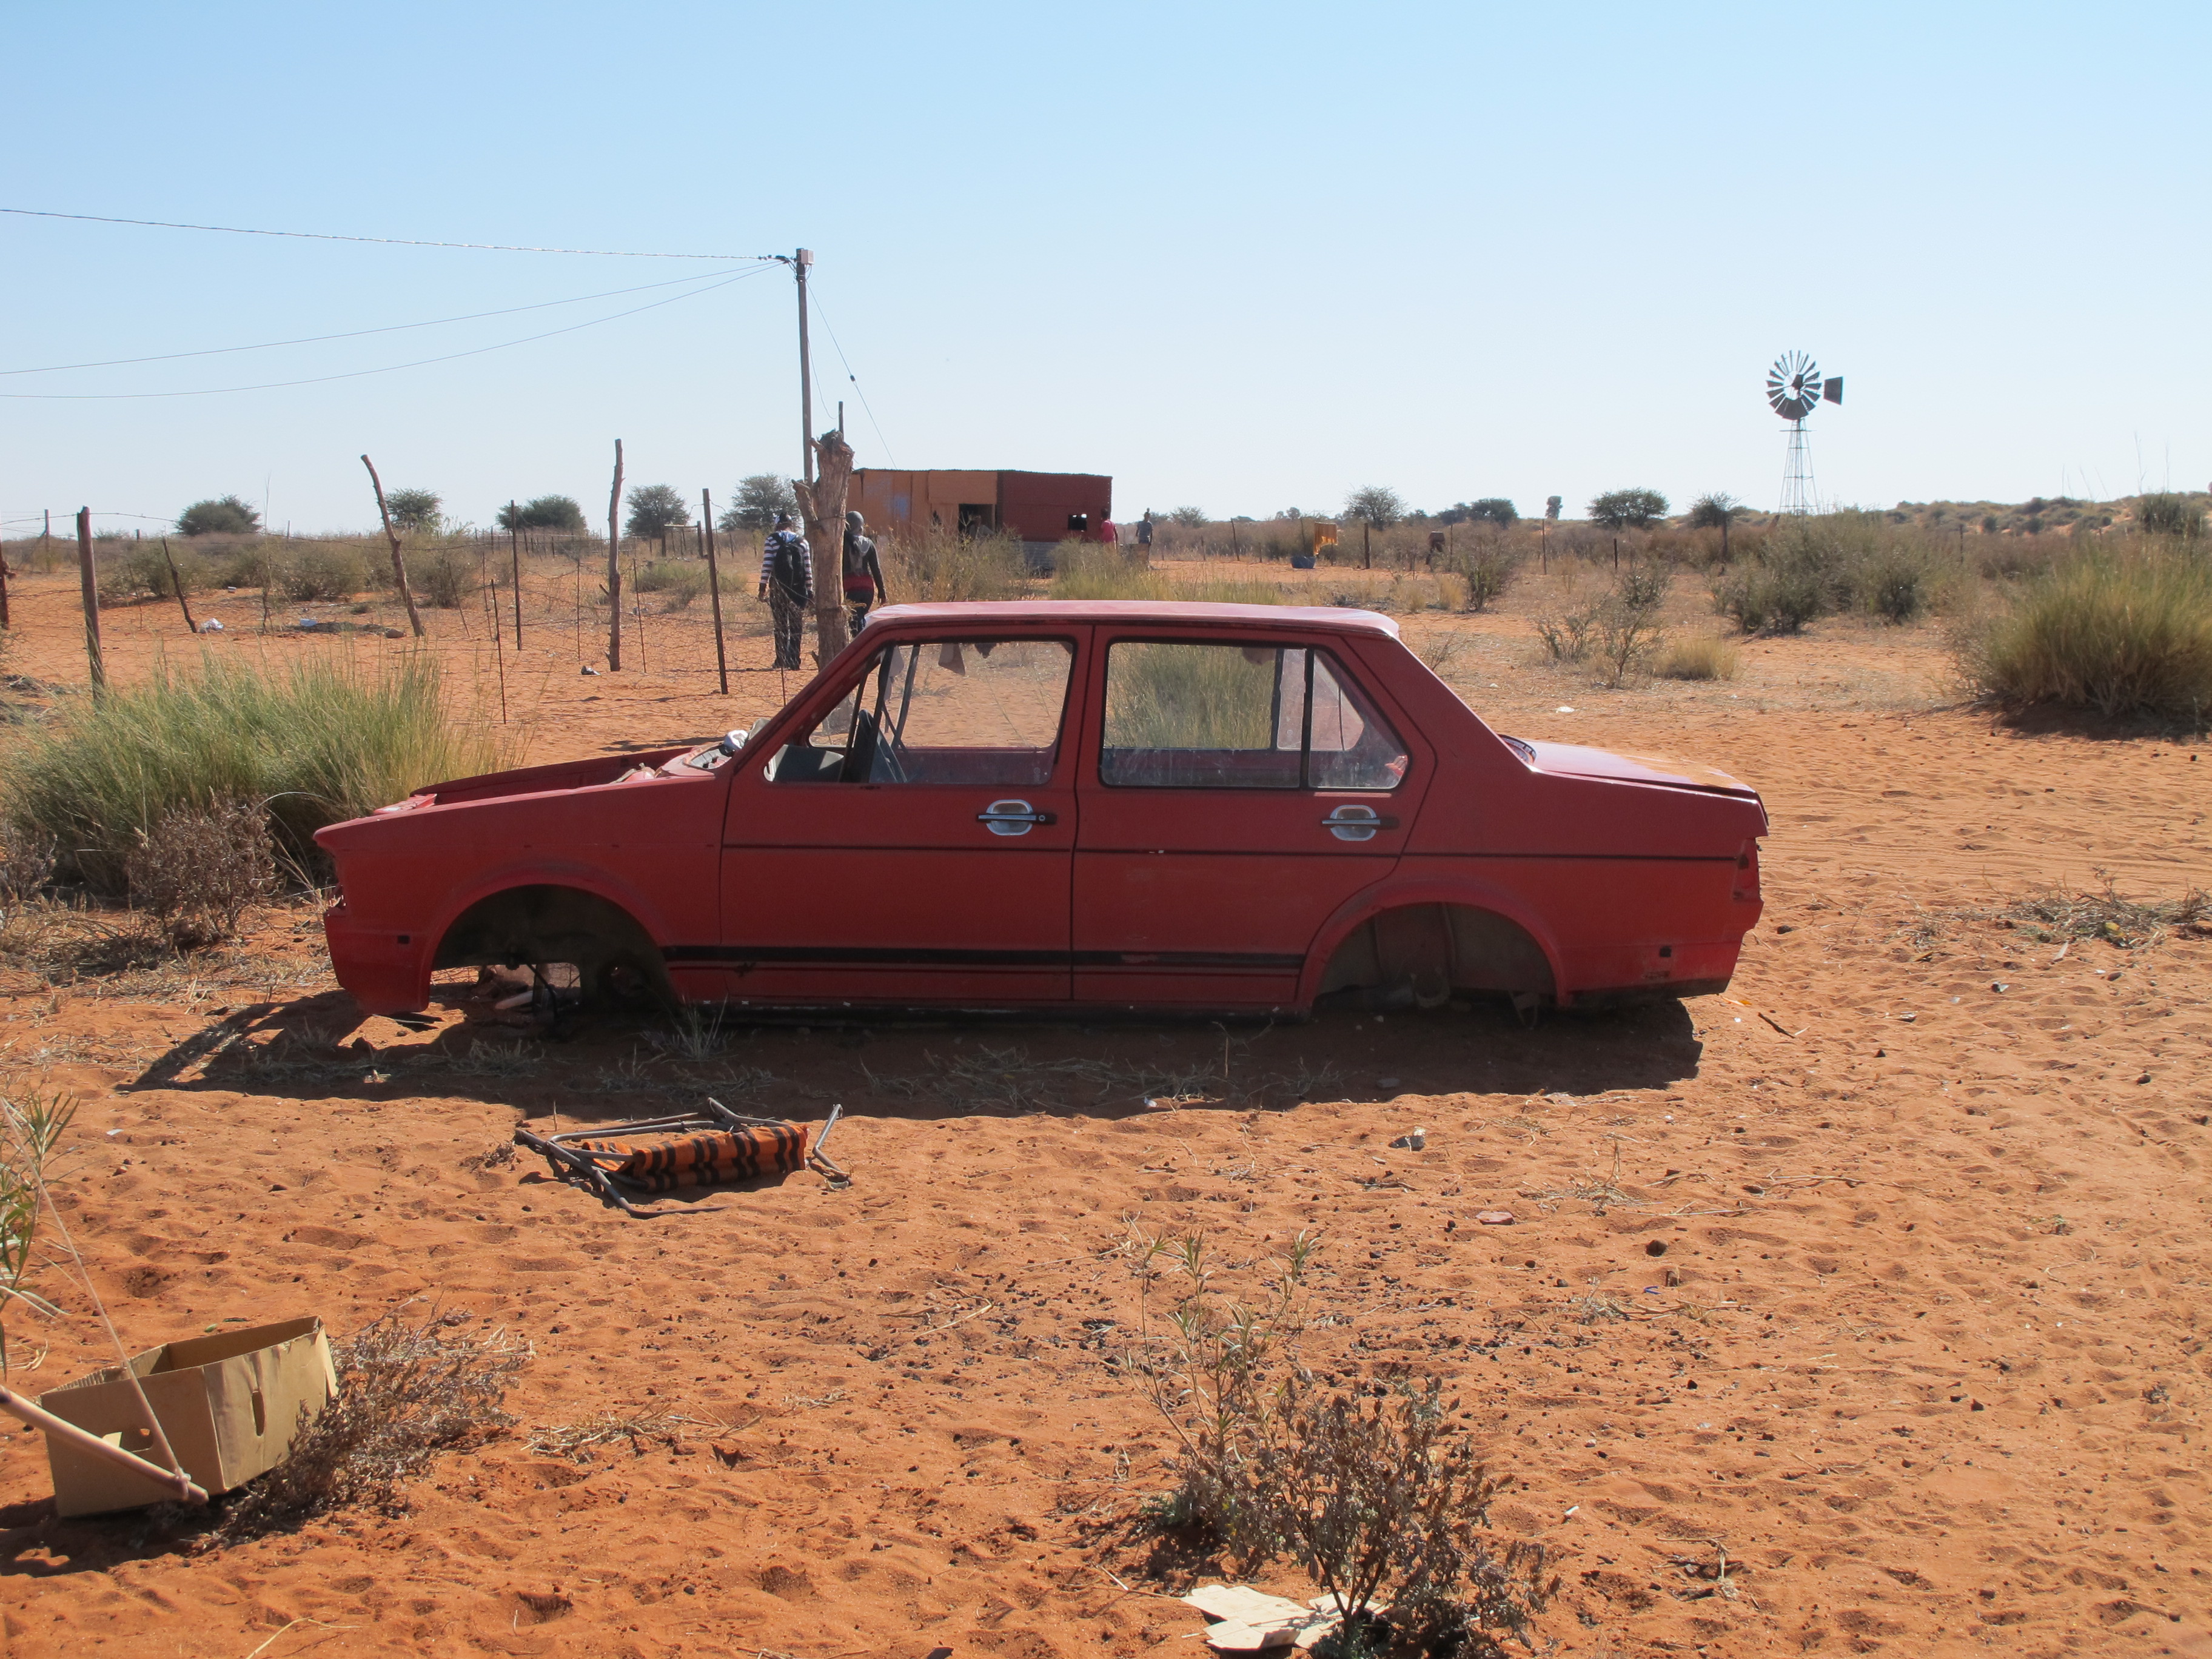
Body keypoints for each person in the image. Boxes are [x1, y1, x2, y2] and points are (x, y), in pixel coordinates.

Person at [757, 512, 812, 669]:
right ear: (791, 525)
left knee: (780, 624)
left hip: (779, 588)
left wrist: (762, 587)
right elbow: (808, 569)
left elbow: (767, 565)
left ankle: (781, 659)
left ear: (777, 525)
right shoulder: (803, 542)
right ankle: (794, 660)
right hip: (799, 589)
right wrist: (810, 590)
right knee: (796, 625)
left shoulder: (771, 540)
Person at [842, 509, 886, 632]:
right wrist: (882, 592)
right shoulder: (869, 544)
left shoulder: (843, 543)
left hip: (849, 588)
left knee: (855, 624)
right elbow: (876, 569)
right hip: (868, 589)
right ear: (861, 525)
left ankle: (862, 642)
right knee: (861, 619)